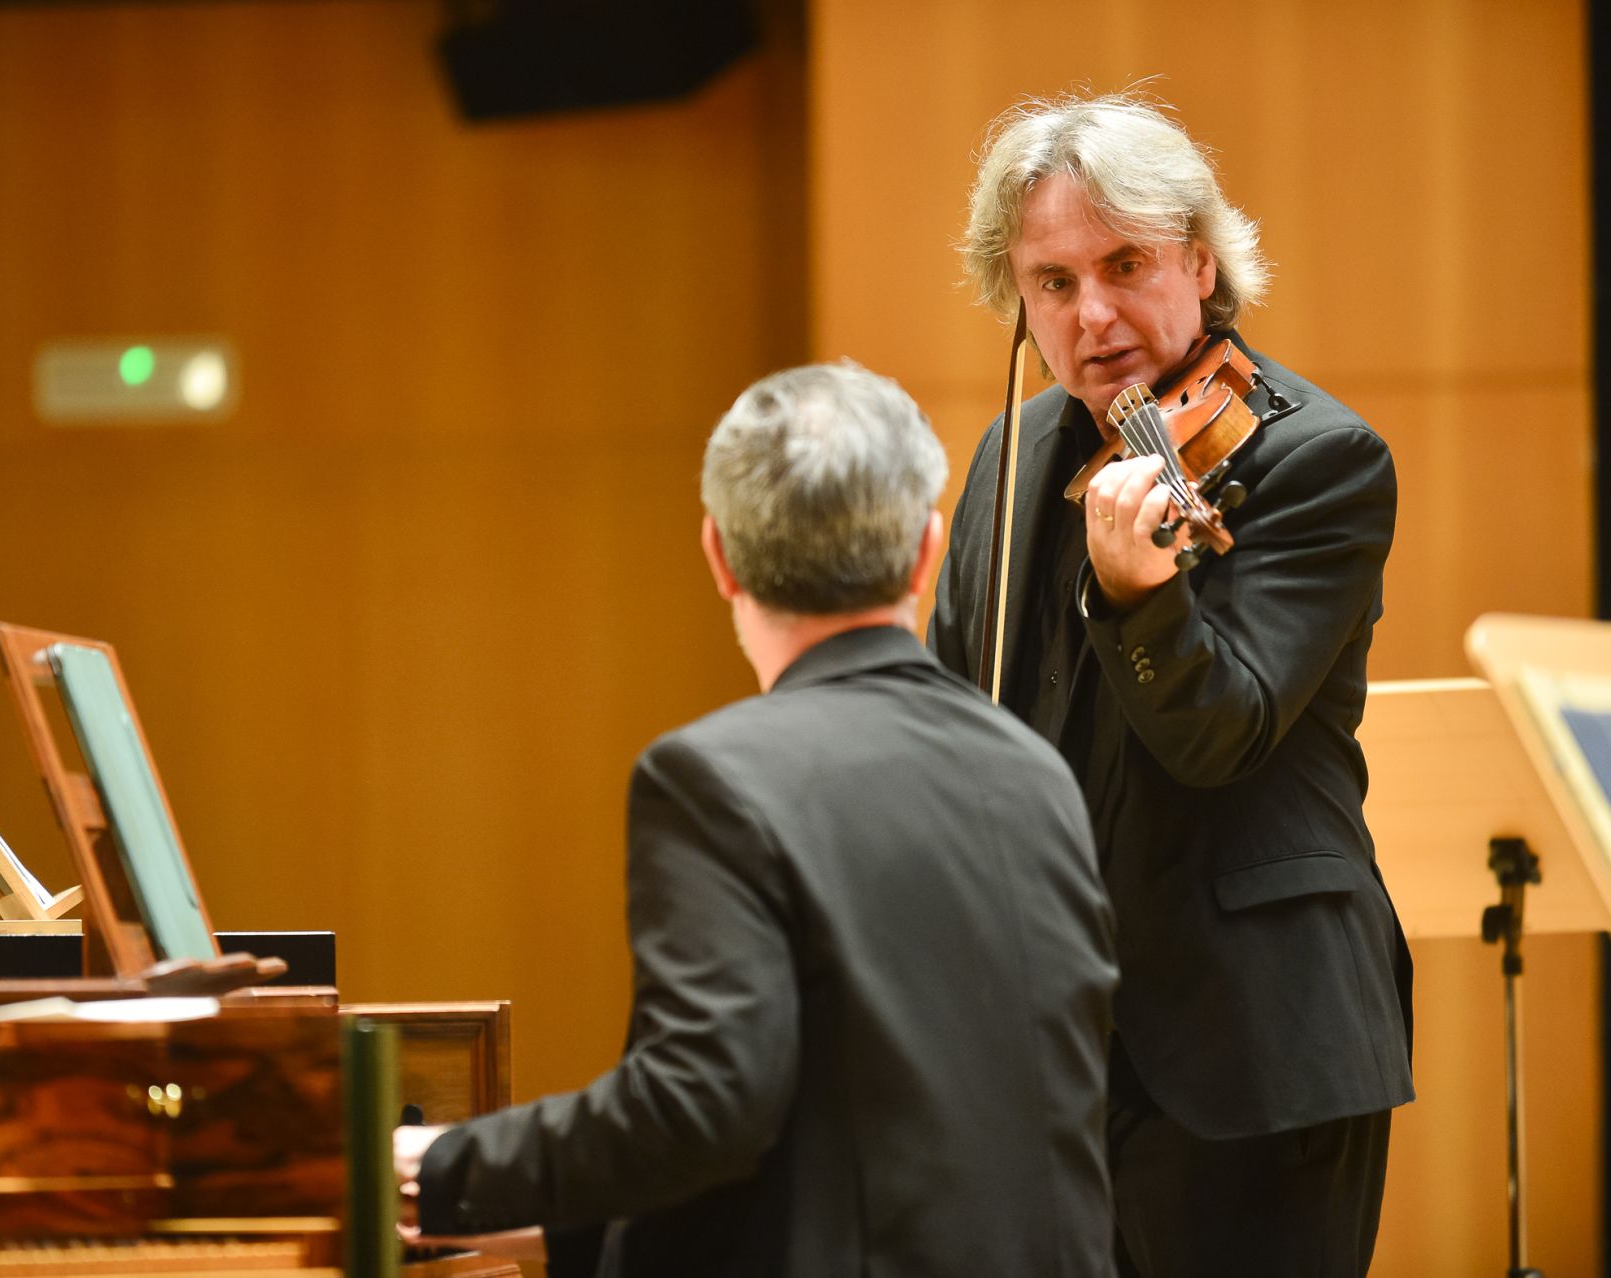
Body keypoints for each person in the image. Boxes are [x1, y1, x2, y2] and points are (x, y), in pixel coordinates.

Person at [394, 361, 1119, 1277]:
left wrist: (440, 1168)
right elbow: (889, 1125)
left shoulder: (714, 781)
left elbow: (703, 1107)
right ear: (931, 549)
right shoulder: (1036, 775)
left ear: (719, 556)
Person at [929, 91, 1414, 1277]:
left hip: (1252, 1051)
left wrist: (1143, 596)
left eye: (1126, 263)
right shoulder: (1011, 452)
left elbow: (1222, 733)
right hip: (1054, 1059)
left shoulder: (1315, 461)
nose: (1092, 315)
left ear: (1200, 260)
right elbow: (959, 715)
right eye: (1052, 282)